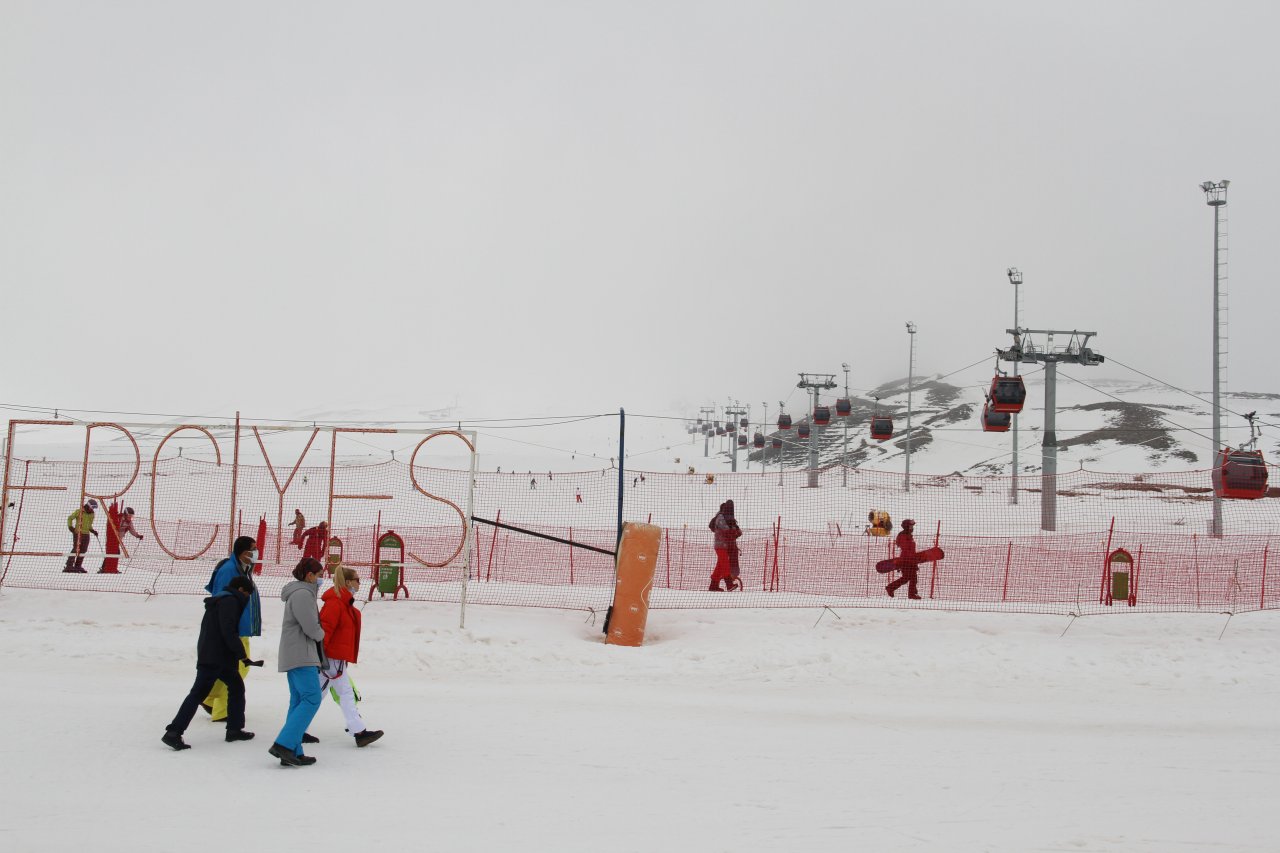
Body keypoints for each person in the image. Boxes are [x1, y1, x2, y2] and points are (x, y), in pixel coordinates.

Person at [162, 575, 261, 750]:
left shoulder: (220, 600)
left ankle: (234, 729)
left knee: (236, 687)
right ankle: (174, 732)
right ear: (240, 590)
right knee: (198, 693)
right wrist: (242, 655)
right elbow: (228, 631)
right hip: (216, 658)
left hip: (215, 656)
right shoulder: (230, 602)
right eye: (246, 594)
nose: (246, 598)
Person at [318, 565, 384, 748]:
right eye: (357, 579)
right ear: (347, 582)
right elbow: (325, 630)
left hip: (335, 657)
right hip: (331, 658)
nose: (359, 583)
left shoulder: (342, 602)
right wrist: (320, 656)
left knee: (340, 693)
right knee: (322, 695)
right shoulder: (336, 603)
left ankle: (358, 730)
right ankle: (295, 729)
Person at [269, 557, 326, 767]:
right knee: (312, 698)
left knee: (299, 700)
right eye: (319, 576)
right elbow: (311, 627)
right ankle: (283, 744)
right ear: (309, 575)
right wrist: (322, 634)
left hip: (295, 653)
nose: (321, 580)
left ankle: (293, 749)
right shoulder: (303, 594)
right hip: (301, 653)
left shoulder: (299, 592)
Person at [202, 536, 262, 722]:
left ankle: (209, 697)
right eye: (252, 549)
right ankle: (221, 709)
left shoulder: (241, 568)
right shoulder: (229, 571)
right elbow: (221, 601)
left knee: (230, 668)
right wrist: (229, 630)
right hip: (234, 630)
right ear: (242, 553)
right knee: (238, 669)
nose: (255, 553)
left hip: (240, 628)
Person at [708, 500, 743, 591]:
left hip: (724, 545)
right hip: (720, 545)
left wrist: (735, 530)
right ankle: (729, 585)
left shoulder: (727, 518)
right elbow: (725, 528)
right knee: (725, 564)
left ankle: (713, 586)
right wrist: (734, 530)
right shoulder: (720, 517)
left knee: (720, 565)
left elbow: (731, 529)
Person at [886, 519, 923, 600]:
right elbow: (906, 549)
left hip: (910, 560)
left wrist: (914, 560)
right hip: (906, 560)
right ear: (906, 526)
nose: (912, 527)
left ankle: (911, 593)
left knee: (910, 578)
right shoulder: (903, 536)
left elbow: (911, 550)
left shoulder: (909, 535)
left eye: (912, 526)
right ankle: (892, 588)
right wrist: (913, 559)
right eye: (910, 526)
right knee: (908, 578)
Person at [63, 499, 99, 572]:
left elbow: (89, 524)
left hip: (86, 534)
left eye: (94, 508)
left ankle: (78, 566)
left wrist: (92, 530)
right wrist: (70, 527)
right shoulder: (80, 511)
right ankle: (69, 566)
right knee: (76, 548)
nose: (93, 509)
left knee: (83, 550)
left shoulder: (92, 514)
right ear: (88, 505)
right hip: (78, 533)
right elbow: (70, 518)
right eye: (92, 507)